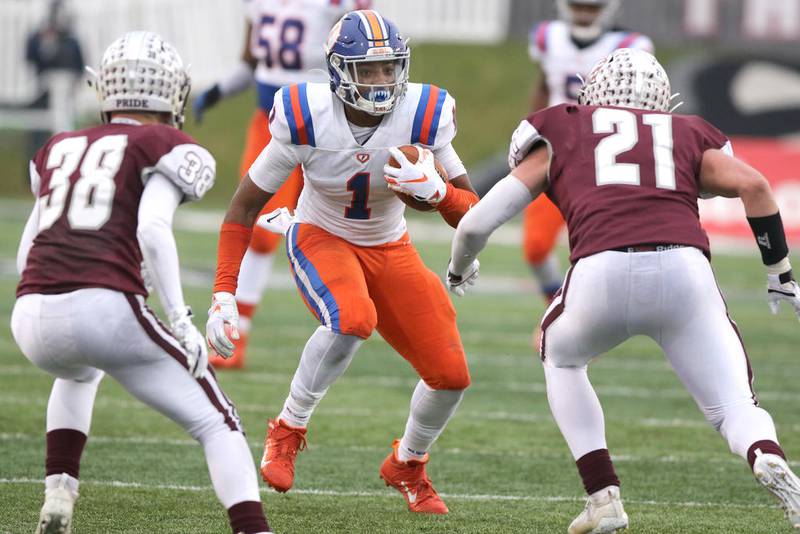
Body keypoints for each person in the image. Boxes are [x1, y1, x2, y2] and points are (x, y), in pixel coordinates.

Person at [448, 48, 800, 533]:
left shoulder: (565, 125)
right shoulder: (689, 133)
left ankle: (603, 496)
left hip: (602, 268)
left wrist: (459, 267)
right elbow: (756, 186)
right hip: (684, 270)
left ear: (591, 91)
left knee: (561, 355)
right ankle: (766, 454)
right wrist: (779, 273)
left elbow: (477, 223)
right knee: (737, 406)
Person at [206, 9, 480, 514]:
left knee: (451, 375)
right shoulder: (304, 113)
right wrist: (224, 290)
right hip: (320, 235)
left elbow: (472, 211)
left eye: (389, 68)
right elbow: (244, 207)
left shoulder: (424, 112)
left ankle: (408, 463)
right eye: (367, 70)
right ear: (337, 71)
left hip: (390, 245)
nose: (381, 80)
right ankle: (287, 428)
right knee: (353, 319)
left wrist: (440, 194)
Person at [11, 31, 272, 534]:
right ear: (170, 93)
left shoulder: (61, 145)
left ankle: (58, 497)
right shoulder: (162, 143)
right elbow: (151, 227)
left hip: (31, 315)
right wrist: (181, 320)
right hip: (103, 307)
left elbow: (30, 250)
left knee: (78, 372)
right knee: (218, 422)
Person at [193, 0, 370, 368]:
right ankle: (236, 331)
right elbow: (251, 63)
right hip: (270, 123)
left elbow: (358, 59)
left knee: (343, 223)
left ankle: (354, 315)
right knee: (257, 225)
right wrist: (218, 91)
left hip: (320, 123)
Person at [524, 0, 654, 348]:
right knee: (536, 247)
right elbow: (543, 86)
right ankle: (555, 305)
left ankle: (580, 325)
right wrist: (527, 131)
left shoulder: (630, 47)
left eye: (592, 5)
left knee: (594, 254)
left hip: (602, 162)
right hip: (554, 156)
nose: (584, 10)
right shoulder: (548, 38)